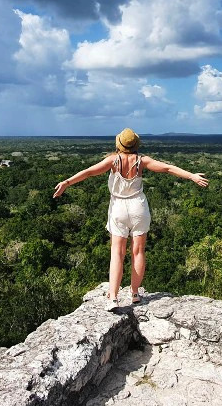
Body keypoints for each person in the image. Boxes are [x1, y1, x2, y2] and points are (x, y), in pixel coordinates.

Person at [53, 128, 208, 311]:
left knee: (117, 252)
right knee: (138, 251)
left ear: (119, 144)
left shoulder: (113, 160)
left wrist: (67, 182)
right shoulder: (142, 161)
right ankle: (135, 294)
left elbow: (88, 172)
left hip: (118, 207)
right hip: (138, 207)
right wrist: (192, 176)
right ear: (136, 145)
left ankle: (113, 298)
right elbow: (167, 168)